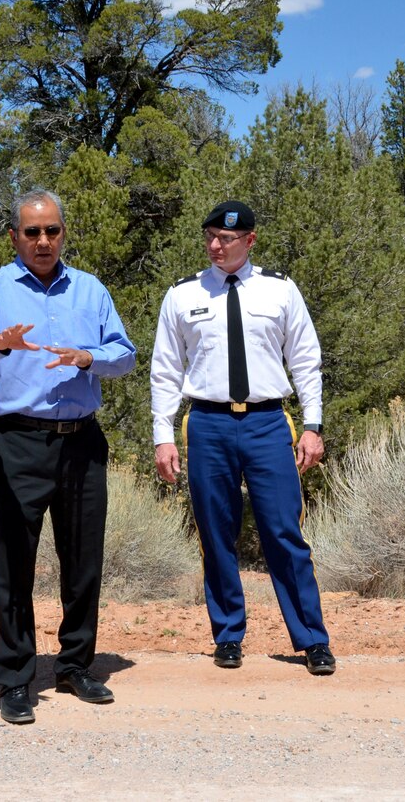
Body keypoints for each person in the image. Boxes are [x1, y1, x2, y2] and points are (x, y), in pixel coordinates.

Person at [0, 189, 136, 725]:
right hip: (19, 440)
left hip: (81, 440)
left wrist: (88, 357)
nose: (42, 241)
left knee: (83, 559)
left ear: (63, 234)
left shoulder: (91, 290)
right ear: (14, 237)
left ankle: (76, 666)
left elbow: (123, 354)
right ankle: (14, 677)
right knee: (16, 561)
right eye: (31, 232)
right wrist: (0, 346)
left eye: (51, 231)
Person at [150, 200, 335, 676]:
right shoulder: (183, 294)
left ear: (249, 241)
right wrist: (162, 436)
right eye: (210, 236)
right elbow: (166, 370)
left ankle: (312, 638)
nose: (216, 245)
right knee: (216, 533)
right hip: (207, 423)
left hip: (267, 422)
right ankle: (228, 634)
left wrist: (312, 425)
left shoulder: (280, 290)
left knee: (283, 531)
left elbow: (306, 359)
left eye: (227, 238)